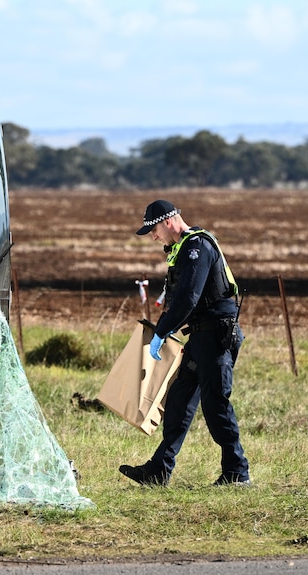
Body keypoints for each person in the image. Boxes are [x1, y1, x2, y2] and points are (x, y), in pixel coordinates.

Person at [119, 199, 250, 487]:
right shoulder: (181, 249)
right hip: (200, 335)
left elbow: (189, 297)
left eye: (153, 230)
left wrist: (162, 331)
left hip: (216, 335)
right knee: (179, 402)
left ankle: (237, 472)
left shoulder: (196, 247)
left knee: (216, 404)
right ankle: (158, 471)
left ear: (168, 221)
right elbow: (180, 299)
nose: (153, 237)